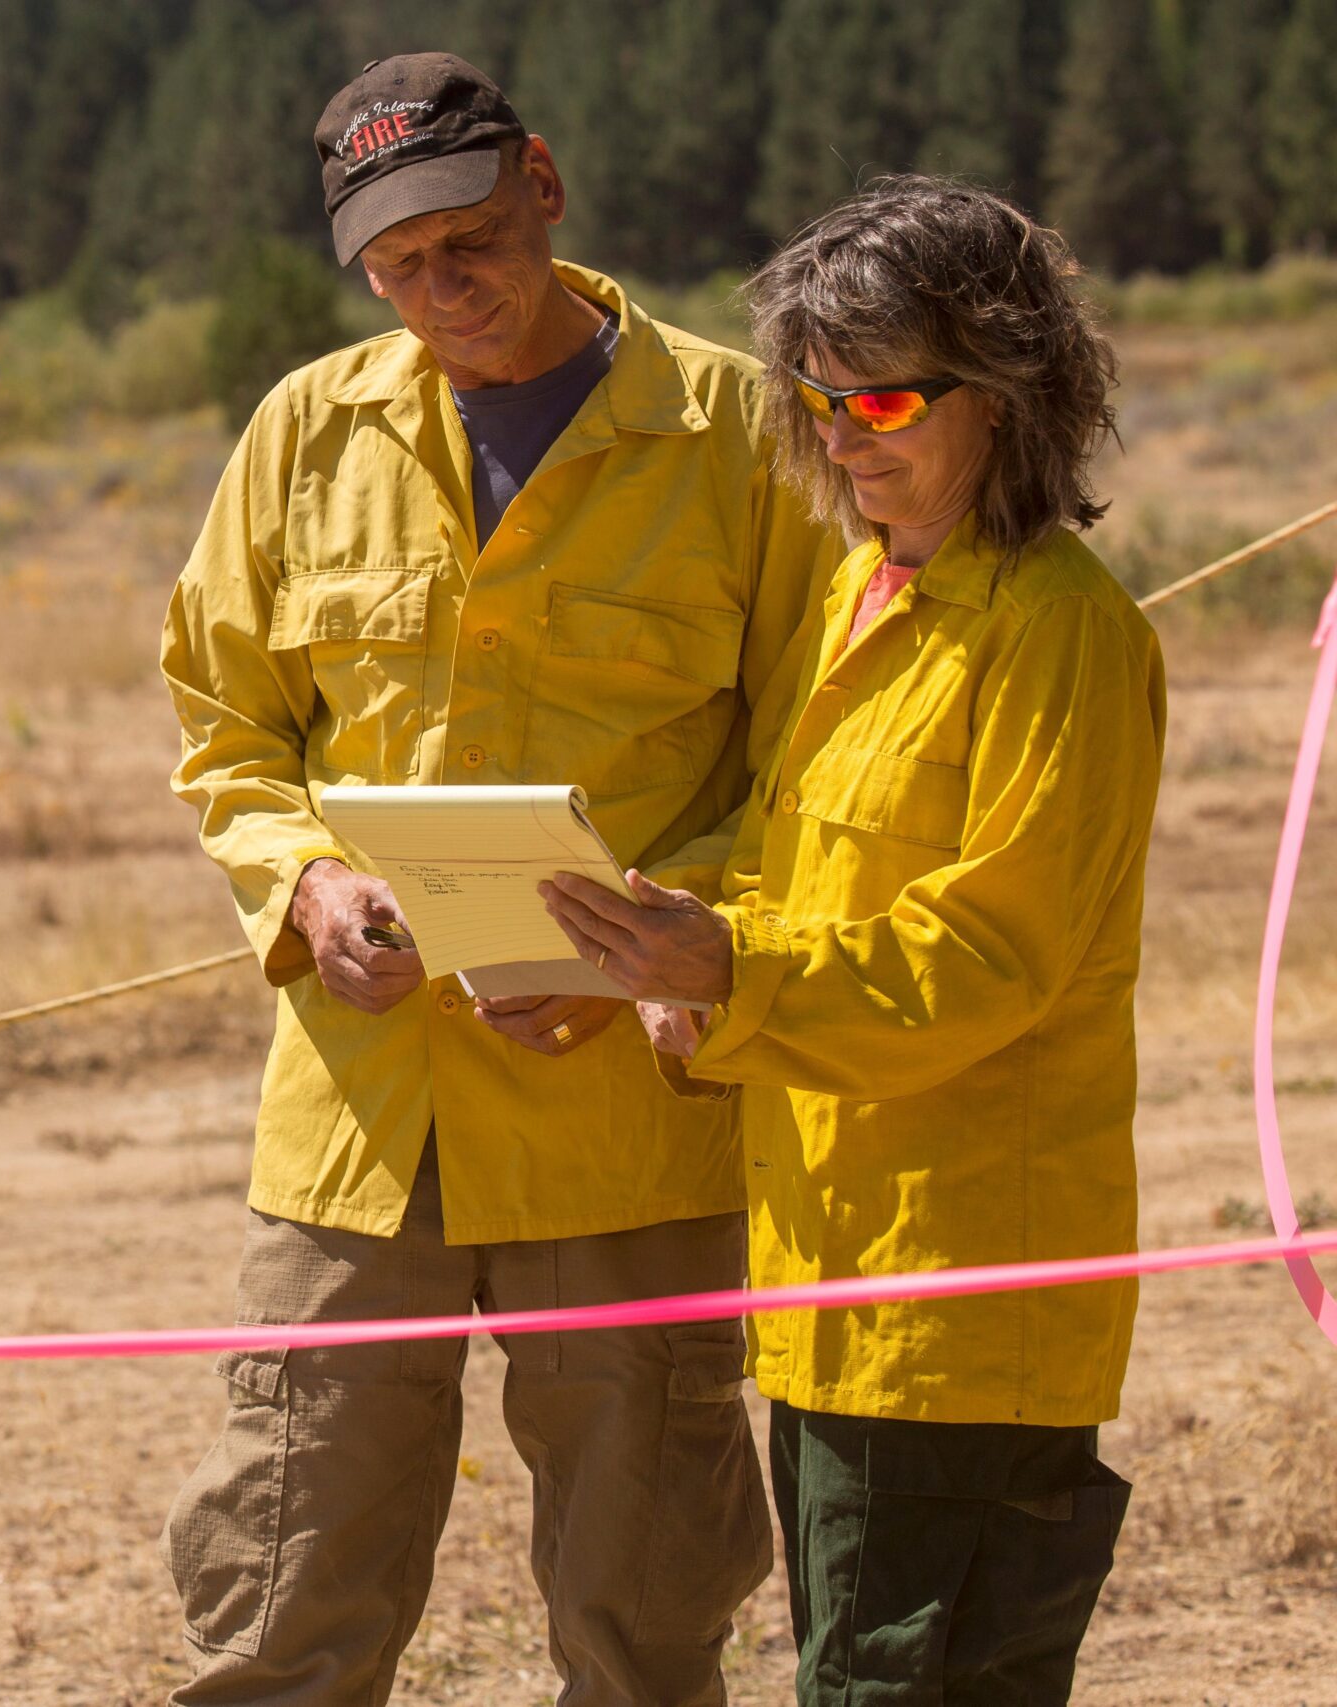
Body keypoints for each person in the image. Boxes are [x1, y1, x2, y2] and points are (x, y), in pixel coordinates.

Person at [157, 51, 832, 1706]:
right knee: (281, 1592)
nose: (440, 292)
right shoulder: (305, 430)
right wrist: (306, 887)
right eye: (395, 268)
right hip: (360, 1117)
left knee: (643, 1614)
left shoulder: (742, 434)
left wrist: (645, 949)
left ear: (544, 181)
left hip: (628, 1122)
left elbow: (818, 769)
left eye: (468, 242)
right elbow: (228, 733)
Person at [540, 175, 1161, 1705]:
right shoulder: (866, 592)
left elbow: (986, 958)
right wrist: (658, 939)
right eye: (813, 402)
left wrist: (733, 976)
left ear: (1008, 395)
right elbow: (786, 853)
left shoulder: (1061, 631)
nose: (838, 438)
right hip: (829, 1283)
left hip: (962, 1304)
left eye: (879, 397)